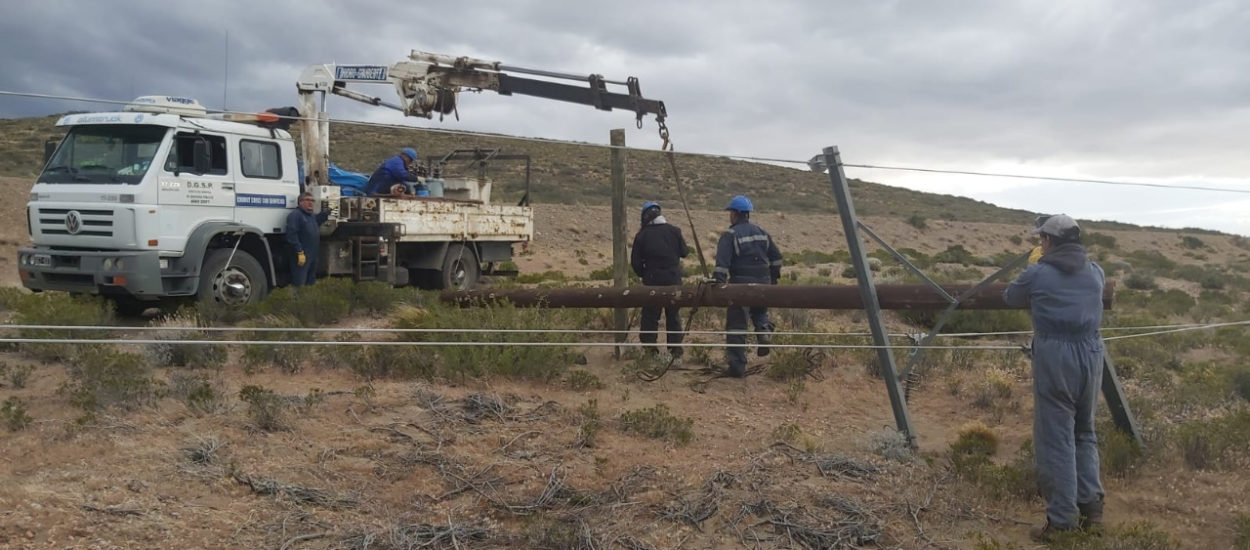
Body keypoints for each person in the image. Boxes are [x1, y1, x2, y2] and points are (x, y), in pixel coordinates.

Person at [1003, 214, 1105, 541]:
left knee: (1056, 436)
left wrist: (1034, 268)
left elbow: (1011, 297)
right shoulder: (1095, 272)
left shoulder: (1038, 274)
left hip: (1056, 355)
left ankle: (1061, 522)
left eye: (1041, 240)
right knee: (1084, 430)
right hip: (1091, 352)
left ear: (1048, 241)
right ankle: (1092, 509)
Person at [712, 195, 782, 378]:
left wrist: (718, 283)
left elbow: (722, 264)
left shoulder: (730, 235)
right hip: (763, 282)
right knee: (759, 313)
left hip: (740, 286)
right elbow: (777, 258)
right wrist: (772, 280)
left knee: (737, 325)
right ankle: (764, 330)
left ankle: (737, 367)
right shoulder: (762, 232)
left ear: (734, 214)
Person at [630, 201, 690, 362]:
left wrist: (645, 274)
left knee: (650, 316)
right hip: (673, 280)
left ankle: (650, 353)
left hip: (652, 281)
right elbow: (685, 252)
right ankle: (675, 353)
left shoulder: (642, 235)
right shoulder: (674, 231)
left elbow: (635, 263)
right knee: (673, 316)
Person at [285, 192, 331, 286]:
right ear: (300, 202)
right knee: (300, 282)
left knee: (310, 282)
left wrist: (329, 211)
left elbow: (319, 219)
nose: (311, 203)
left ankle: (308, 300)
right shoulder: (295, 215)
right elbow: (291, 235)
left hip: (312, 255)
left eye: (312, 200)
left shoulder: (311, 216)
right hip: (301, 256)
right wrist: (299, 251)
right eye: (308, 200)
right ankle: (298, 300)